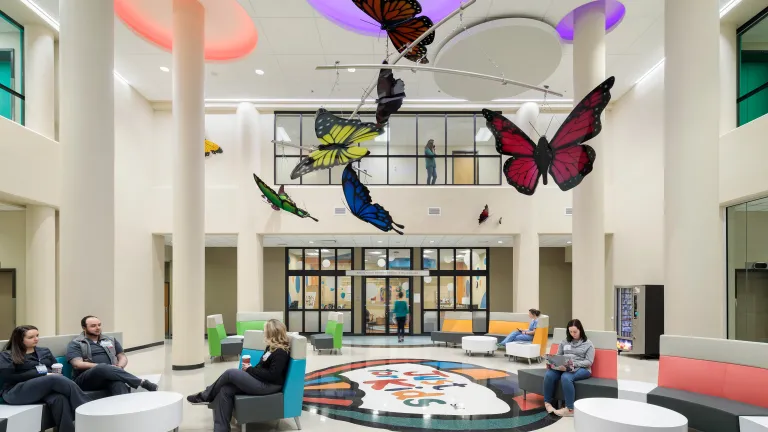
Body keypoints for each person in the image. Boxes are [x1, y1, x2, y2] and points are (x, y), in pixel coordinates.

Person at [186, 319, 291, 432]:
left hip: (269, 386)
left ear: (272, 334)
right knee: (225, 390)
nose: (263, 333)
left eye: (265, 331)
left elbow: (272, 375)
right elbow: (262, 367)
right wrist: (251, 369)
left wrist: (250, 370)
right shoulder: (270, 348)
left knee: (230, 373)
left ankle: (205, 395)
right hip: (261, 381)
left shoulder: (280, 352)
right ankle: (221, 429)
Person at [0, 326, 90, 432]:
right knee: (53, 379)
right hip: (16, 391)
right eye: (31, 337)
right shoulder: (7, 355)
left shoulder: (44, 351)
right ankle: (87, 408)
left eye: (37, 335)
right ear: (19, 339)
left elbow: (54, 366)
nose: (36, 339)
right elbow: (8, 376)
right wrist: (40, 374)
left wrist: (53, 373)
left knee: (59, 398)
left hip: (43, 389)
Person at [66, 315, 157, 396]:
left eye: (99, 325)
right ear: (84, 328)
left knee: (118, 383)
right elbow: (77, 364)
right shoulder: (76, 343)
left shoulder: (110, 340)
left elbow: (122, 356)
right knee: (101, 368)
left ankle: (124, 411)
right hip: (86, 379)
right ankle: (141, 382)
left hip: (108, 375)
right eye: (93, 326)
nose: (98, 328)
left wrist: (120, 366)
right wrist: (103, 367)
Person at [543, 318, 594, 417]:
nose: (573, 334)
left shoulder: (588, 344)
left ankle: (570, 409)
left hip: (582, 368)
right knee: (549, 374)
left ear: (580, 330)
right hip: (565, 367)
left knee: (566, 377)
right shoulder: (564, 342)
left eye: (575, 331)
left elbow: (589, 362)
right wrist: (553, 363)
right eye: (570, 332)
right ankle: (547, 403)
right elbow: (558, 356)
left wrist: (573, 364)